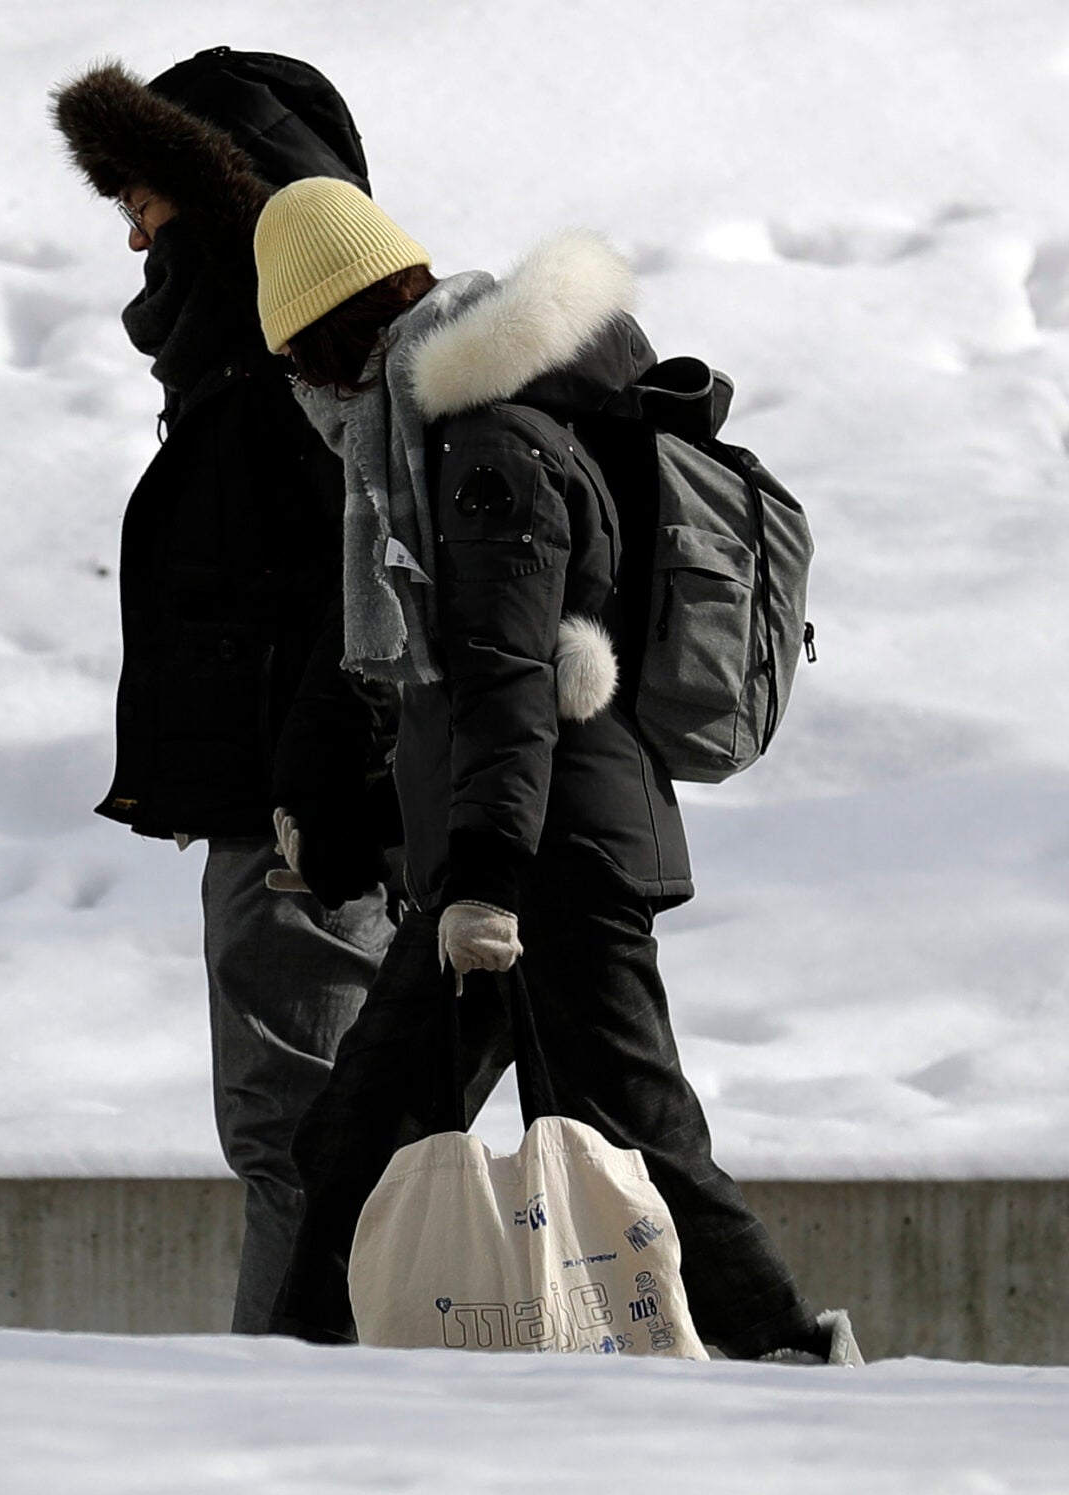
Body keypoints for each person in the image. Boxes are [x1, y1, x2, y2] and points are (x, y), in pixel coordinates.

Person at [247, 177, 858, 1362]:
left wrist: (478, 873)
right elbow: (458, 687)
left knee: (638, 1133)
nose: (304, 393)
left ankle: (787, 1353)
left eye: (297, 363)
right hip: (506, 849)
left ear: (330, 335)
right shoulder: (444, 435)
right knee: (358, 1135)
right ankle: (297, 1370)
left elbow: (504, 672)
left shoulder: (486, 446)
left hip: (546, 861)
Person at [50, 51, 398, 1334]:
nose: (130, 231)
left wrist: (319, 804)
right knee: (312, 1139)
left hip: (309, 834)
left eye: (140, 197)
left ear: (212, 187)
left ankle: (294, 1413)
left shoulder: (297, 370)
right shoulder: (256, 362)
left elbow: (357, 610)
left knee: (295, 1139)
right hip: (293, 815)